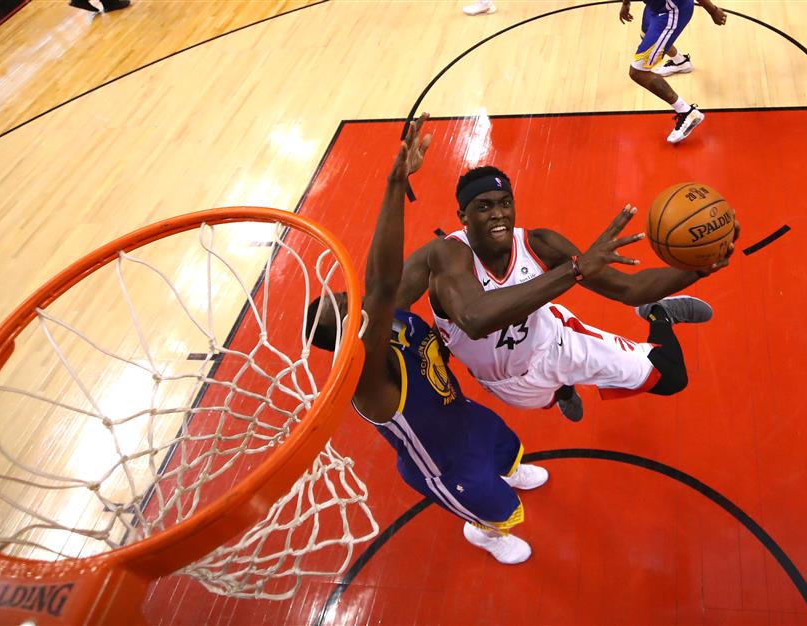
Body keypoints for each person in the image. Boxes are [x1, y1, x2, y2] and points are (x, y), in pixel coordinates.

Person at [305, 116, 548, 565]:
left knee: (506, 447)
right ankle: (486, 535)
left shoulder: (392, 318)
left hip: (463, 416)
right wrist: (396, 184)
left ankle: (505, 473)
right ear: (344, 334)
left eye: (343, 294)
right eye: (343, 305)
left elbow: (392, 289)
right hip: (443, 463)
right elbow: (381, 283)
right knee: (493, 508)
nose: (350, 296)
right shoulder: (365, 372)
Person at [399, 165, 738, 421]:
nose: (499, 213)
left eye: (505, 202)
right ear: (463, 216)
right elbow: (475, 319)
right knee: (546, 398)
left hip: (558, 343)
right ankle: (563, 388)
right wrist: (574, 270)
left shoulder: (539, 244)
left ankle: (659, 315)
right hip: (505, 382)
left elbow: (629, 288)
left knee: (672, 377)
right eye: (484, 207)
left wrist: (698, 268)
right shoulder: (448, 255)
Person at [619, 0, 727, 143]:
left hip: (672, 12)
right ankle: (681, 62)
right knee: (646, 36)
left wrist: (712, 10)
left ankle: (687, 112)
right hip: (654, 8)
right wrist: (626, 3)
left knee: (638, 72)